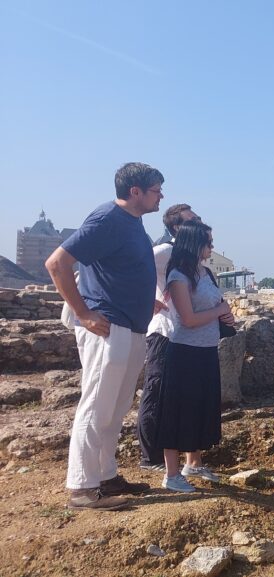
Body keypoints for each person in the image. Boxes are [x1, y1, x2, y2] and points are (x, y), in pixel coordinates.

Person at [45, 162, 165, 511]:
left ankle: (105, 474)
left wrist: (148, 299)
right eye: (157, 189)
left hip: (130, 325)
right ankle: (82, 488)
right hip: (108, 327)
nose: (162, 196)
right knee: (97, 404)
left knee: (115, 406)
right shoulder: (107, 219)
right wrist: (83, 313)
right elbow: (57, 264)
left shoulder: (133, 224)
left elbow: (119, 270)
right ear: (136, 192)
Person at [157, 221, 232, 492]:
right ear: (194, 243)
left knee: (200, 409)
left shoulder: (205, 273)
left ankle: (193, 463)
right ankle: (172, 473)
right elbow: (187, 319)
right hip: (185, 353)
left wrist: (225, 313)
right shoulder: (179, 275)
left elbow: (213, 306)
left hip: (206, 350)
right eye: (208, 243)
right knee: (178, 412)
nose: (211, 247)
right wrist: (219, 310)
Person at [138, 203, 200, 471]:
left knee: (174, 395)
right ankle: (149, 457)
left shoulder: (188, 255)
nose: (198, 222)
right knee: (155, 391)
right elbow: (135, 268)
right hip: (163, 331)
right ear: (177, 227)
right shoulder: (166, 250)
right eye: (193, 220)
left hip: (181, 333)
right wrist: (146, 299)